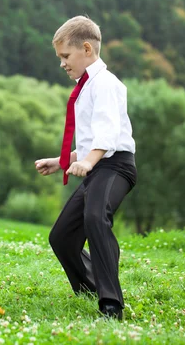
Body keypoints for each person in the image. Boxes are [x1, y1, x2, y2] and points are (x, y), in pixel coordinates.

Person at [34, 16, 137, 320]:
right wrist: (63, 161)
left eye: (66, 56)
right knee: (62, 237)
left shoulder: (105, 83)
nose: (62, 64)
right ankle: (92, 287)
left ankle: (111, 303)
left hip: (115, 167)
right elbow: (92, 139)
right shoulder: (87, 86)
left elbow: (108, 133)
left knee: (95, 217)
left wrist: (89, 161)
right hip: (98, 164)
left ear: (87, 49)